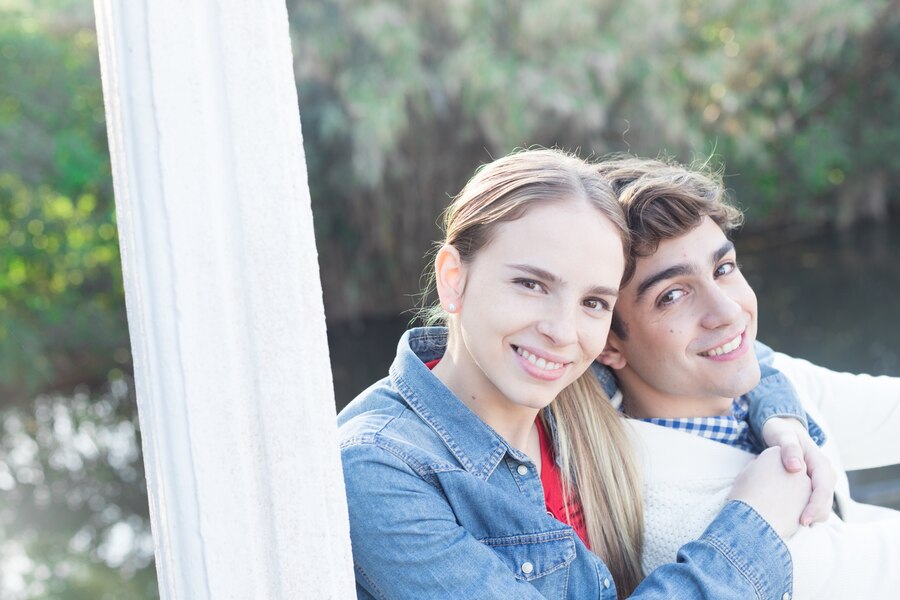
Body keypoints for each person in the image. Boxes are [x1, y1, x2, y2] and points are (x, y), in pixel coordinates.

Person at [337, 148, 812, 600]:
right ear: (453, 279)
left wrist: (784, 427)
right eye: (531, 284)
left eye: (593, 302)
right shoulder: (380, 471)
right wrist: (755, 523)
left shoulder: (577, 388)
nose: (563, 332)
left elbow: (739, 353)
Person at [592, 156, 900, 599]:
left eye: (723, 269)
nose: (728, 310)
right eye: (672, 295)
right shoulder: (684, 516)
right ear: (607, 343)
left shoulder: (751, 383)